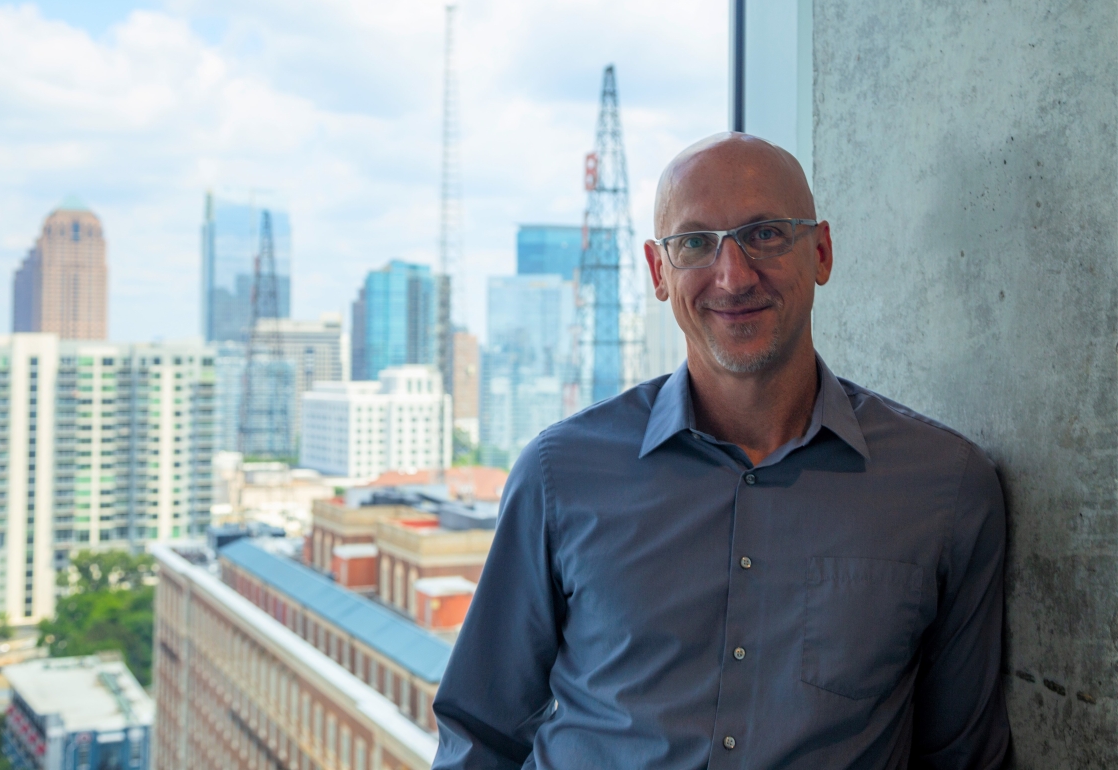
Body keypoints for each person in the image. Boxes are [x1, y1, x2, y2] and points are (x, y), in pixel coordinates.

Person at [432, 133, 1009, 769]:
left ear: (820, 252)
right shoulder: (559, 473)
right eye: (695, 243)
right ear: (659, 272)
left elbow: (963, 759)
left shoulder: (945, 489)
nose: (733, 277)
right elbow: (479, 735)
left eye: (765, 234)